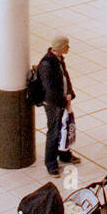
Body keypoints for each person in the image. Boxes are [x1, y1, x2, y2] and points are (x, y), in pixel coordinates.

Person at [36, 35, 78, 173]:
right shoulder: (47, 64)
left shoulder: (59, 59)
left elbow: (65, 77)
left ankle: (65, 154)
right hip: (54, 104)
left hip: (63, 100)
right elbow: (50, 89)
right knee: (54, 132)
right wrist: (63, 101)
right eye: (67, 45)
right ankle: (51, 164)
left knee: (65, 127)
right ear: (61, 47)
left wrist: (70, 92)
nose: (68, 48)